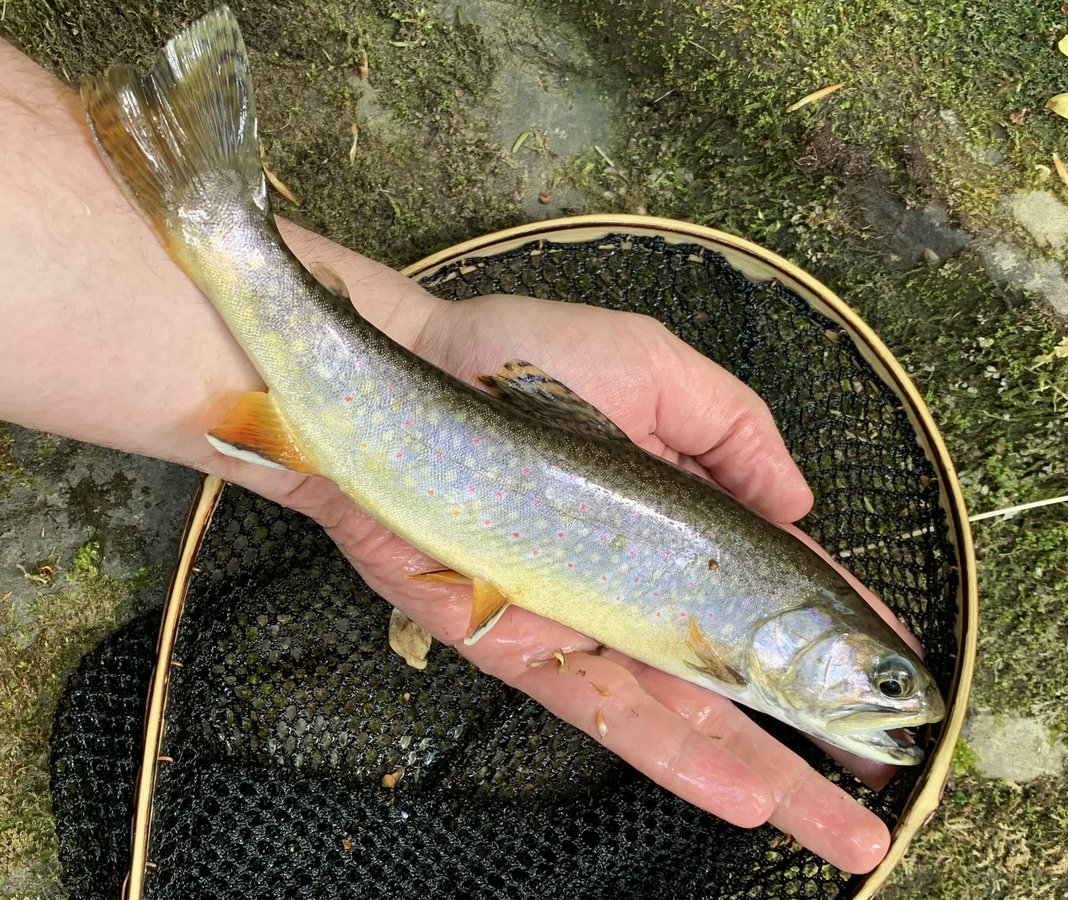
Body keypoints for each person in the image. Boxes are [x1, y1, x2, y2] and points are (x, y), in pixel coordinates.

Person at [0, 38, 900, 874]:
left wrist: (423, 334)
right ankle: (214, 216)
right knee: (258, 295)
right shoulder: (729, 648)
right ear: (812, 631)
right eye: (886, 683)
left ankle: (206, 209)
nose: (887, 707)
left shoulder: (747, 644)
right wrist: (422, 334)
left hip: (372, 436)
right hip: (387, 434)